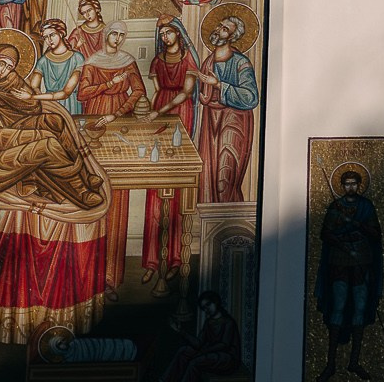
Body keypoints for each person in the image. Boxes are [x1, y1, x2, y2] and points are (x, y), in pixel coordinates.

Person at [0, 30, 112, 345]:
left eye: (8, 66)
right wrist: (30, 136)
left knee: (54, 124)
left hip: (3, 157)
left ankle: (81, 180)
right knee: (44, 145)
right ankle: (81, 188)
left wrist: (18, 86)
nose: (2, 70)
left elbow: (29, 112)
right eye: (0, 63)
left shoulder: (0, 89)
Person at [74, 24, 146, 295]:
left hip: (117, 123)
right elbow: (82, 94)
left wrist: (119, 112)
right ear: (106, 36)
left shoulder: (128, 62)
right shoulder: (92, 63)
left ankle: (111, 278)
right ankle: (85, 274)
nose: (118, 39)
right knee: (92, 190)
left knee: (117, 195)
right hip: (94, 121)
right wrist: (109, 84)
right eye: (114, 34)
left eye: (122, 35)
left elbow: (139, 91)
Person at [141, 18, 199, 293]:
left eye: (169, 32)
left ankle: (175, 257)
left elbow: (185, 93)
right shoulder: (157, 61)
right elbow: (156, 93)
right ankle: (152, 261)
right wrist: (152, 115)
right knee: (155, 183)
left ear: (179, 33)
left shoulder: (188, 59)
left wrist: (160, 112)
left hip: (179, 113)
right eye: (162, 33)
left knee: (176, 184)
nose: (165, 37)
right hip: (160, 114)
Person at [314, 167, 382, 382]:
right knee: (339, 306)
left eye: (354, 183)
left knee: (360, 307)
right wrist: (341, 239)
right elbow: (324, 233)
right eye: (347, 184)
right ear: (342, 186)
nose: (350, 187)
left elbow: (375, 233)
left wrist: (357, 225)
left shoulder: (366, 206)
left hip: (361, 258)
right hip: (340, 260)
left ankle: (354, 361)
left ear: (359, 185)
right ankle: (331, 363)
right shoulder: (336, 207)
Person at [195, 15, 259, 203]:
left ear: (232, 37)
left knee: (225, 174)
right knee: (209, 173)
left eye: (224, 29)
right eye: (219, 25)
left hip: (233, 122)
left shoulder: (241, 62)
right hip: (211, 121)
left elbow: (251, 97)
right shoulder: (209, 61)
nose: (218, 29)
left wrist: (219, 85)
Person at [159, 290, 242, 382]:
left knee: (196, 362)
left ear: (216, 302)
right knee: (183, 351)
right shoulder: (209, 322)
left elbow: (224, 345)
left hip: (228, 358)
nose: (206, 309)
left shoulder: (228, 322)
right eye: (204, 307)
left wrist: (203, 352)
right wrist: (180, 331)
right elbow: (199, 343)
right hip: (212, 354)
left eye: (208, 305)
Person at [34, 18, 86, 115]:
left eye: (52, 35)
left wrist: (32, 97)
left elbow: (66, 92)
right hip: (49, 106)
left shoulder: (77, 58)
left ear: (61, 34)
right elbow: (34, 87)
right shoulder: (43, 61)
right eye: (45, 37)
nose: (49, 40)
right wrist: (39, 96)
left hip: (71, 105)